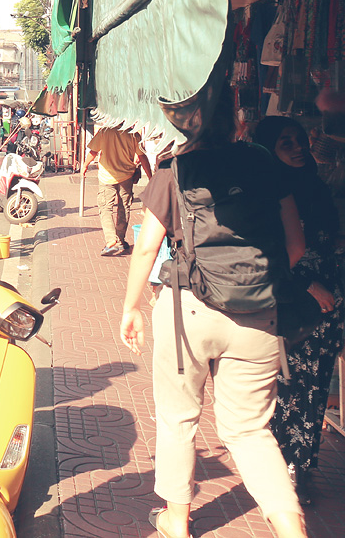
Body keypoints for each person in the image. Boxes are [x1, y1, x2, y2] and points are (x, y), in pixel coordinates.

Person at [119, 107, 308, 538]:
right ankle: (292, 530)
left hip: (188, 308)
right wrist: (257, 287)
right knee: (250, 431)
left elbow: (147, 248)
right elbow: (295, 244)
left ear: (182, 124)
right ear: (238, 121)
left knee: (178, 418)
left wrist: (130, 307)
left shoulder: (175, 167)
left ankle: (176, 522)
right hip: (260, 315)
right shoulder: (263, 160)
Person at [253, 117, 344, 505]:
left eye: (299, 139)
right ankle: (280, 467)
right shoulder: (267, 193)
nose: (297, 147)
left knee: (315, 390)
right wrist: (307, 283)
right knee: (287, 388)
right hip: (292, 303)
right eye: (284, 142)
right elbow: (270, 252)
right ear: (268, 149)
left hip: (328, 304)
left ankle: (301, 469)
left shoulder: (316, 187)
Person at [84, 124, 153, 256]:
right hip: (126, 176)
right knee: (124, 207)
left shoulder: (104, 131)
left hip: (107, 177)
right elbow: (142, 157)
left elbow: (93, 151)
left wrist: (85, 166)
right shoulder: (132, 133)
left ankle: (111, 240)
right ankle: (120, 240)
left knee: (105, 208)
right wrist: (150, 177)